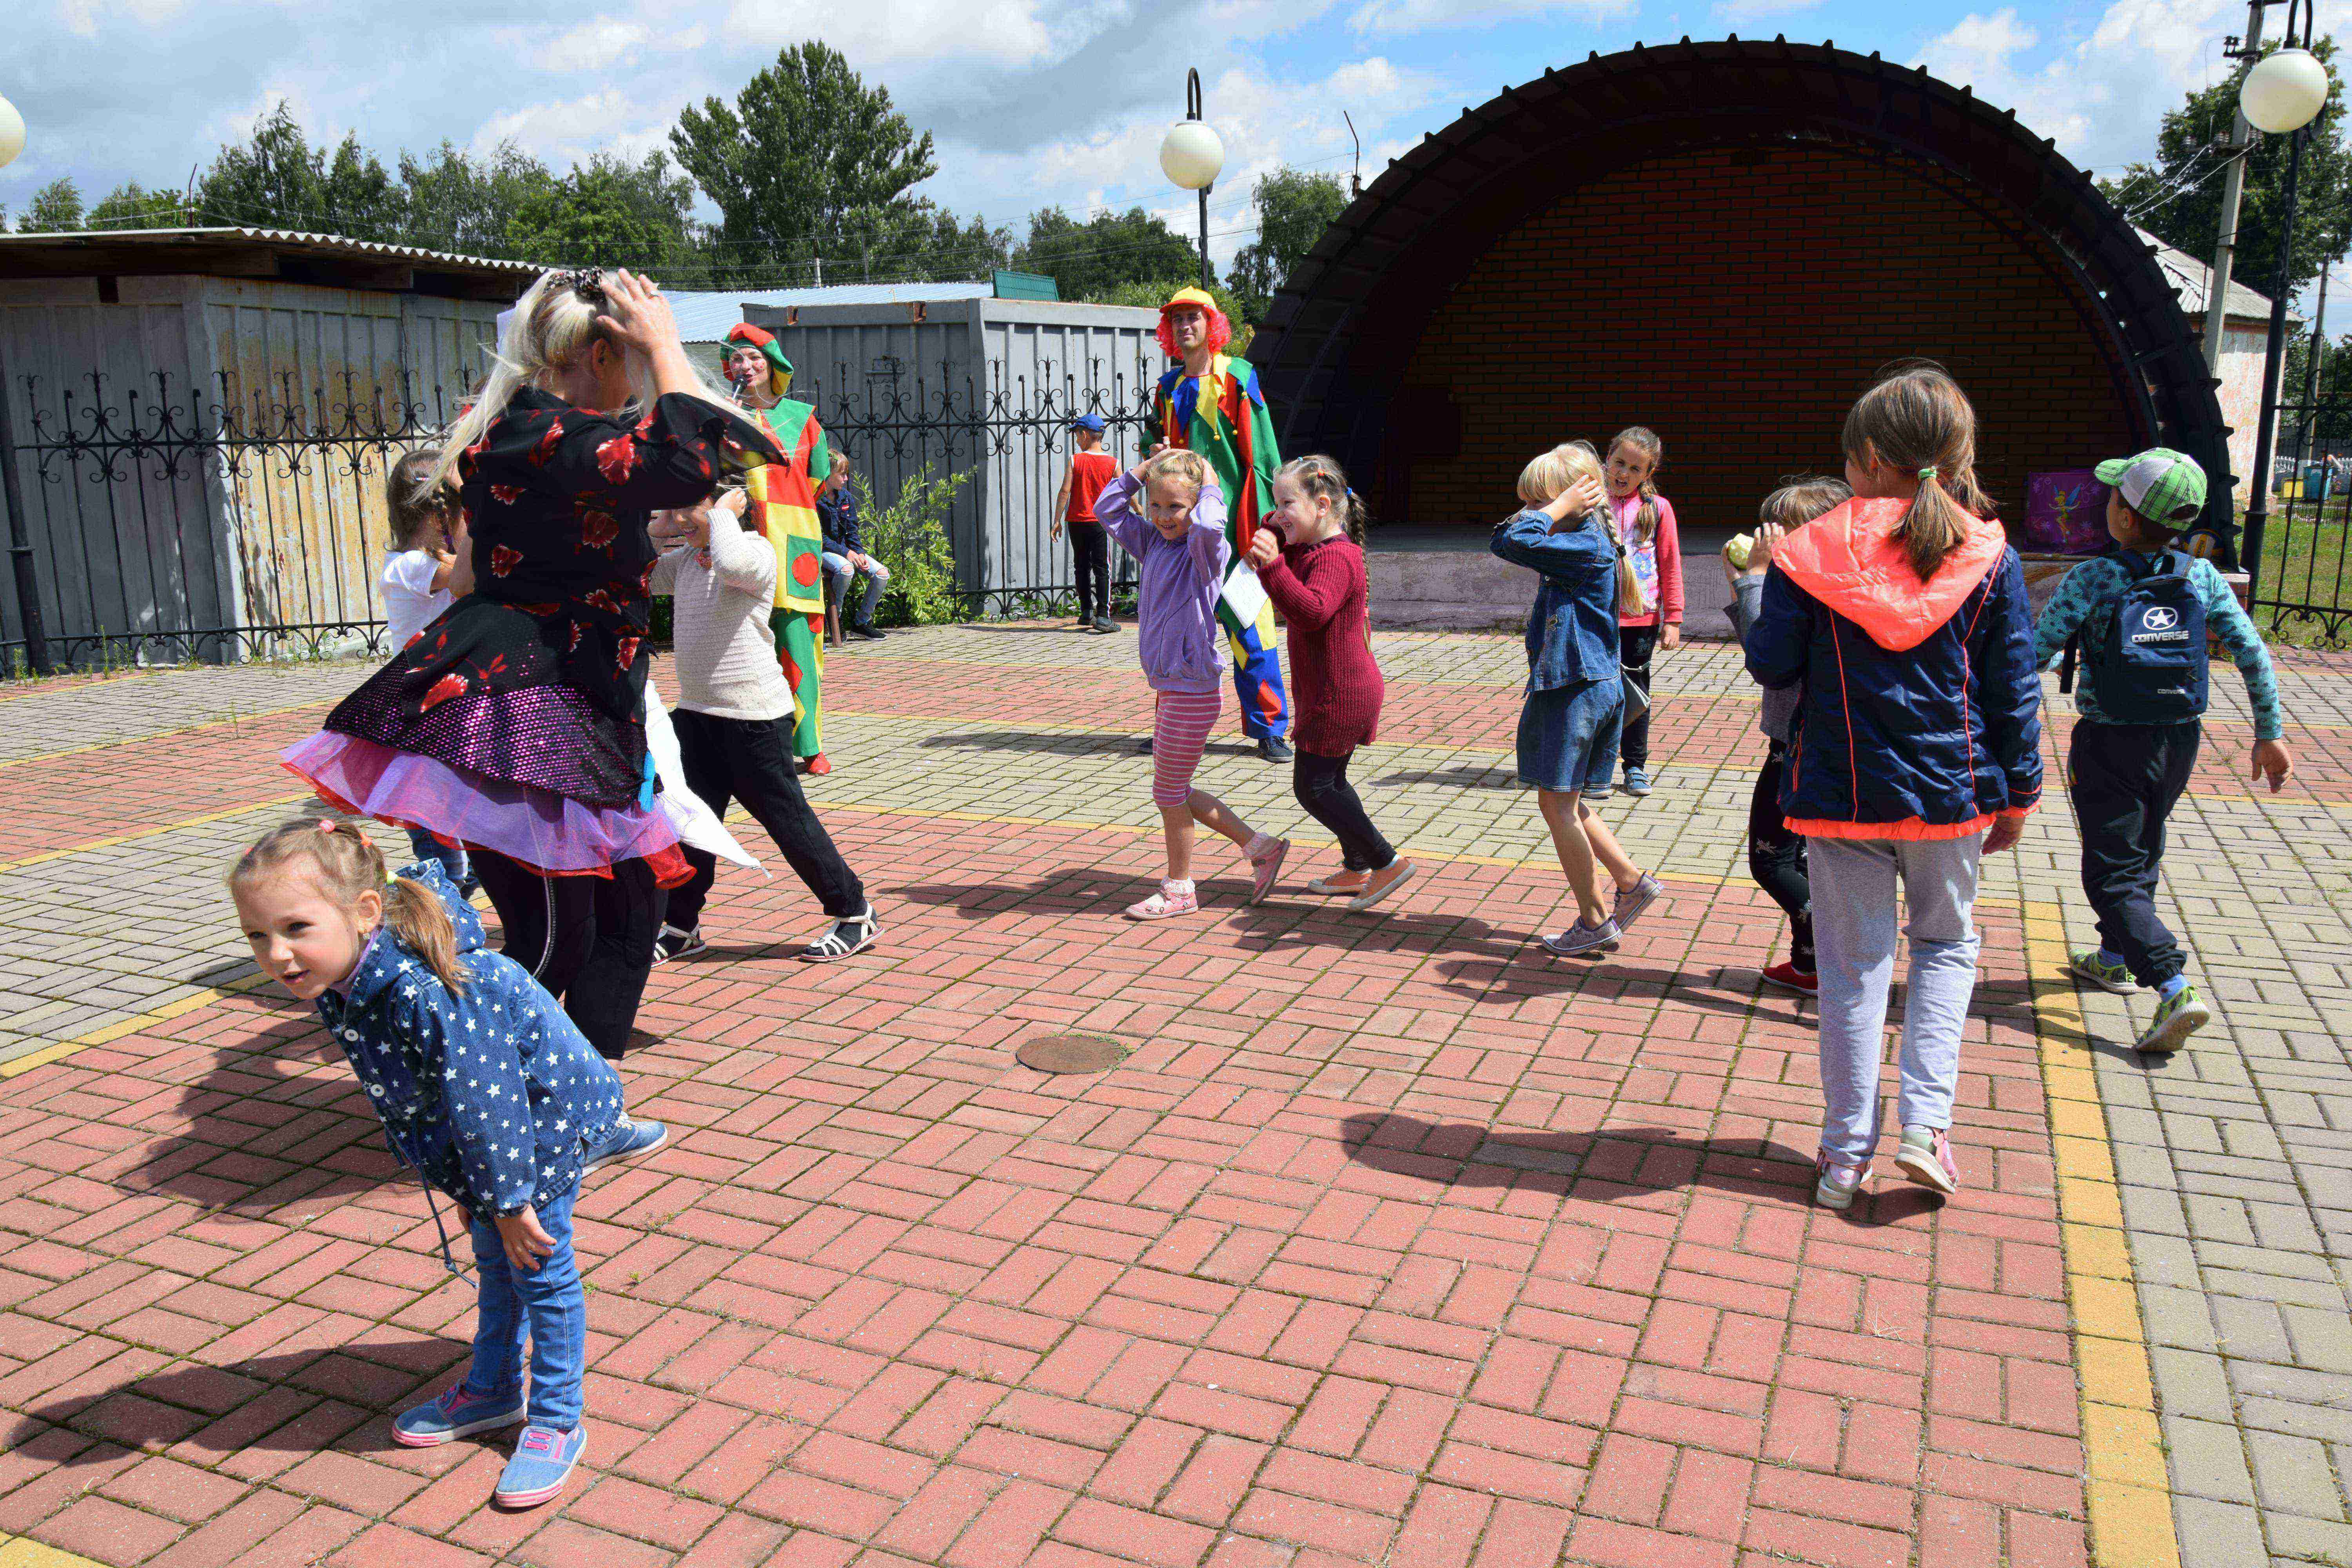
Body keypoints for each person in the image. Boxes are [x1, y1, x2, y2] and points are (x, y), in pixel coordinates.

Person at [284, 268, 784, 1062]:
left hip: (585, 693)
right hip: (528, 701)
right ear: (596, 351)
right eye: (625, 359)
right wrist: (661, 344)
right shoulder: (542, 431)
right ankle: (442, 1071)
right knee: (550, 942)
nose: (639, 379)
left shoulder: (559, 435)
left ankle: (580, 1086)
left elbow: (743, 447)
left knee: (630, 913)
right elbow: (688, 463)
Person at [227, 817, 665, 1509]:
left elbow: (487, 1108)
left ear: (364, 912)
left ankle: (556, 1421)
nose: (277, 955)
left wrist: (509, 1200)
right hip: (499, 1143)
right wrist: (464, 1184)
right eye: (258, 935)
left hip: (540, 1129)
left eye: (296, 929)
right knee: (498, 1263)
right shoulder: (343, 978)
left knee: (542, 1276)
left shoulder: (426, 993)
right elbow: (424, 1099)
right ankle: (491, 1391)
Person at [1746, 365, 2042, 1210]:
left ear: (1871, 456)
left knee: (1852, 969)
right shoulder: (1987, 551)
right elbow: (2011, 688)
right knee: (1946, 947)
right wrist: (2017, 793)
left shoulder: (1810, 550)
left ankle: (1844, 1157)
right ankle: (1928, 1128)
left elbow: (1770, 663)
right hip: (1951, 794)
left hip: (1840, 795)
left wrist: (1760, 579)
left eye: (1847, 458)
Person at [2034, 447, 2292, 1053]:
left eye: (2114, 497)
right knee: (2143, 844)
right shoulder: (2199, 576)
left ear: (2124, 517)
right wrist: (2269, 732)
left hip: (2108, 740)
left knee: (2111, 873)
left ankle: (2172, 984)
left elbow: (2038, 652)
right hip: (2179, 738)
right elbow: (2251, 652)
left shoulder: (2095, 577)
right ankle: (2112, 958)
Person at [648, 490, 882, 963]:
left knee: (789, 823)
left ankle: (855, 912)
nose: (679, 520)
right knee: (694, 826)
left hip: (753, 719)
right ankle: (682, 924)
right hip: (697, 715)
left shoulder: (756, 551)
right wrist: (659, 525)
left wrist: (720, 514)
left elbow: (733, 563)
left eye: (690, 507)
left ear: (730, 507)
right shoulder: (690, 561)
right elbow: (643, 574)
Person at [1097, 448, 1289, 918]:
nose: (1164, 517)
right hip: (1171, 687)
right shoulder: (1154, 544)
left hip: (1194, 689)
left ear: (1195, 504)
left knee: (1167, 794)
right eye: (1156, 506)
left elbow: (1207, 526)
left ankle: (1180, 889)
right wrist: (1143, 471)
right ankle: (1260, 848)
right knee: (1176, 790)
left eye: (1175, 507)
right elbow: (1106, 509)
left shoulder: (1205, 553)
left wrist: (1209, 482)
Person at [1491, 443, 1664, 957]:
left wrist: (1556, 508)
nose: (1530, 512)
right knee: (1570, 801)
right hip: (1592, 686)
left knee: (1557, 804)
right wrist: (1555, 507)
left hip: (1575, 689)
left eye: (1537, 501)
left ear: (1572, 501)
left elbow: (1508, 540)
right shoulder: (1588, 541)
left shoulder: (1582, 542)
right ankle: (1632, 884)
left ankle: (1593, 920)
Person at [1243, 455, 1412, 911]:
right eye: (1276, 503)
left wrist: (1274, 567)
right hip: (1336, 689)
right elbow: (1279, 533)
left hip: (1340, 695)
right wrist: (1278, 527)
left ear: (1322, 506)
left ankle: (1386, 861)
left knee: (1314, 787)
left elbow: (1313, 611)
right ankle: (1357, 865)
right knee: (1332, 780)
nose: (1277, 514)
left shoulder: (1336, 557)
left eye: (1286, 504)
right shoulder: (1312, 547)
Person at [1722, 476, 1853, 995]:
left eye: (1778, 533)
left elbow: (1770, 668)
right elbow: (1763, 652)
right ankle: (1811, 963)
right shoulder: (1829, 583)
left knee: (1770, 859)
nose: (1766, 542)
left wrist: (1753, 581)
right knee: (1799, 857)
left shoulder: (1810, 591)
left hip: (1800, 749)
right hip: (1813, 744)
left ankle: (1837, 949)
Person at [1152, 287, 1292, 761]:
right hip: (1185, 533)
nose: (1185, 326)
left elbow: (1266, 453)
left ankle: (1269, 727)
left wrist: (1272, 521)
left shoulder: (1239, 376)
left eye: (1193, 317)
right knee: (1177, 631)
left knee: (1252, 625)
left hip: (1237, 530)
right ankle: (1172, 725)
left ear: (1212, 325)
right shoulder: (1168, 388)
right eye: (1177, 320)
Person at [722, 322, 835, 773]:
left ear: (774, 367)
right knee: (735, 644)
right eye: (737, 358)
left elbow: (818, 479)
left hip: (794, 545)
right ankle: (748, 748)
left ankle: (810, 745)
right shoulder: (720, 414)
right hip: (737, 541)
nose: (745, 366)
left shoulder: (803, 418)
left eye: (754, 358)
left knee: (798, 644)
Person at [379, 450, 475, 896]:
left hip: (449, 710)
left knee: (474, 855)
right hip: (423, 718)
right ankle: (423, 922)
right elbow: (468, 580)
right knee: (446, 860)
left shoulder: (429, 561)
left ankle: (435, 917)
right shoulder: (409, 566)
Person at [1604, 426, 1681, 797]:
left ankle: (1635, 766)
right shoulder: (1590, 501)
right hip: (1595, 616)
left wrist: (1674, 619)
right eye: (1619, 463)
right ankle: (1596, 766)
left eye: (1635, 469)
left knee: (1635, 695)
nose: (1624, 474)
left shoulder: (1658, 509)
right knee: (1597, 694)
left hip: (1641, 619)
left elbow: (1670, 565)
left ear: (1648, 474)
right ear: (1607, 459)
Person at [1053, 413, 1120, 632]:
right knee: (1102, 567)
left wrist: (1057, 521)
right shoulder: (1113, 463)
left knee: (1081, 566)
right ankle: (1103, 616)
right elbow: (1122, 491)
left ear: (1084, 434)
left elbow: (1065, 491)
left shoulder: (1075, 460)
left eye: (1076, 435)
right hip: (1099, 522)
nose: (1076, 440)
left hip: (1076, 521)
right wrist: (1136, 510)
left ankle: (1086, 612)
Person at [817, 456, 888, 641]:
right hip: (824, 551)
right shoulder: (816, 499)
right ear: (828, 473)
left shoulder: (846, 497)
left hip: (847, 551)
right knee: (846, 569)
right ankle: (835, 619)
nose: (846, 479)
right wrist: (848, 554)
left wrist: (860, 553)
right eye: (842, 474)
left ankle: (862, 623)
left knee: (881, 573)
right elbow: (820, 537)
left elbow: (852, 530)